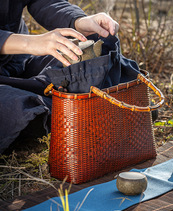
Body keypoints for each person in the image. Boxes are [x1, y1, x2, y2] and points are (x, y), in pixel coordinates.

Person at [0, 0, 119, 153]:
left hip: (19, 61)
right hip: (17, 61)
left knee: (88, 49)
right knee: (10, 103)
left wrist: (79, 21)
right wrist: (30, 43)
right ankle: (75, 112)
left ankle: (63, 111)